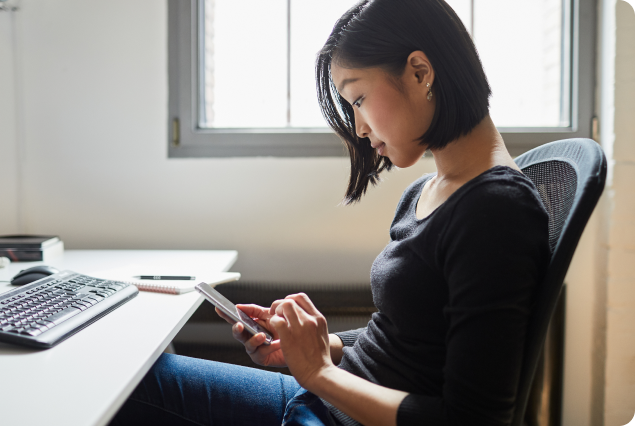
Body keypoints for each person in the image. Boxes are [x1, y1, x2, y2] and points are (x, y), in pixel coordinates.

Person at [109, 0, 550, 425]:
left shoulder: (496, 211)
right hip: (322, 401)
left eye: (357, 99)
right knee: (128, 382)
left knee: (123, 396)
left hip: (330, 410)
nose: (358, 127)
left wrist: (319, 372)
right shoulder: (432, 189)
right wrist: (318, 348)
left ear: (420, 72)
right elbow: (406, 341)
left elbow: (472, 420)